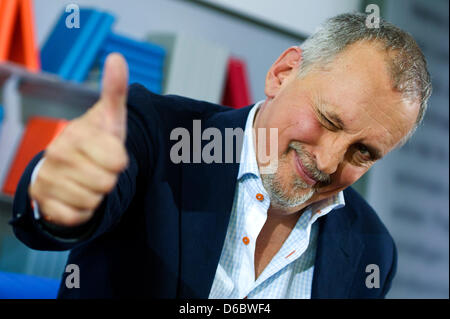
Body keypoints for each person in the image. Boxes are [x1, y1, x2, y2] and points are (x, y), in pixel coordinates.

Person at [11, 13, 431, 298]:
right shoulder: (158, 133)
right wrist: (57, 197)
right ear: (282, 75)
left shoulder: (372, 251)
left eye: (363, 152)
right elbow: (55, 215)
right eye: (328, 120)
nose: (327, 162)